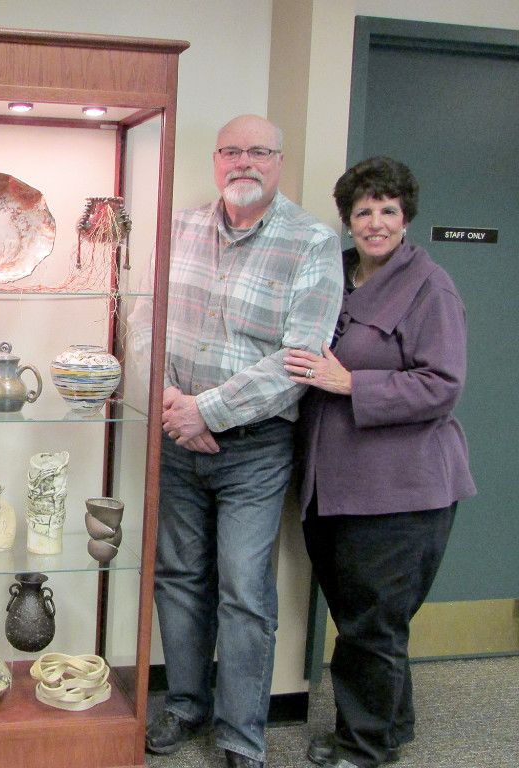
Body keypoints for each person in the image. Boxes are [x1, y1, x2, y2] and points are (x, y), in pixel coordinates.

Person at [129, 115, 344, 768]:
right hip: (176, 439)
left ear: (278, 161)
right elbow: (143, 324)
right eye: (231, 150)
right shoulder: (181, 228)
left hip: (255, 450)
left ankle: (241, 735)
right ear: (216, 159)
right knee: (177, 579)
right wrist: (171, 404)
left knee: (245, 593)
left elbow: (300, 360)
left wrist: (207, 412)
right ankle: (187, 705)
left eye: (258, 151)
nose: (243, 161)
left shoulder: (312, 243)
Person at [284, 156, 475, 768]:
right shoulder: (335, 275)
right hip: (333, 485)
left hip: (400, 491)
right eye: (362, 211)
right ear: (347, 220)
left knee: (372, 624)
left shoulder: (430, 285)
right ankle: (391, 725)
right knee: (364, 618)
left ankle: (364, 746)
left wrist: (350, 385)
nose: (375, 222)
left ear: (405, 217)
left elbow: (442, 385)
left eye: (387, 210)